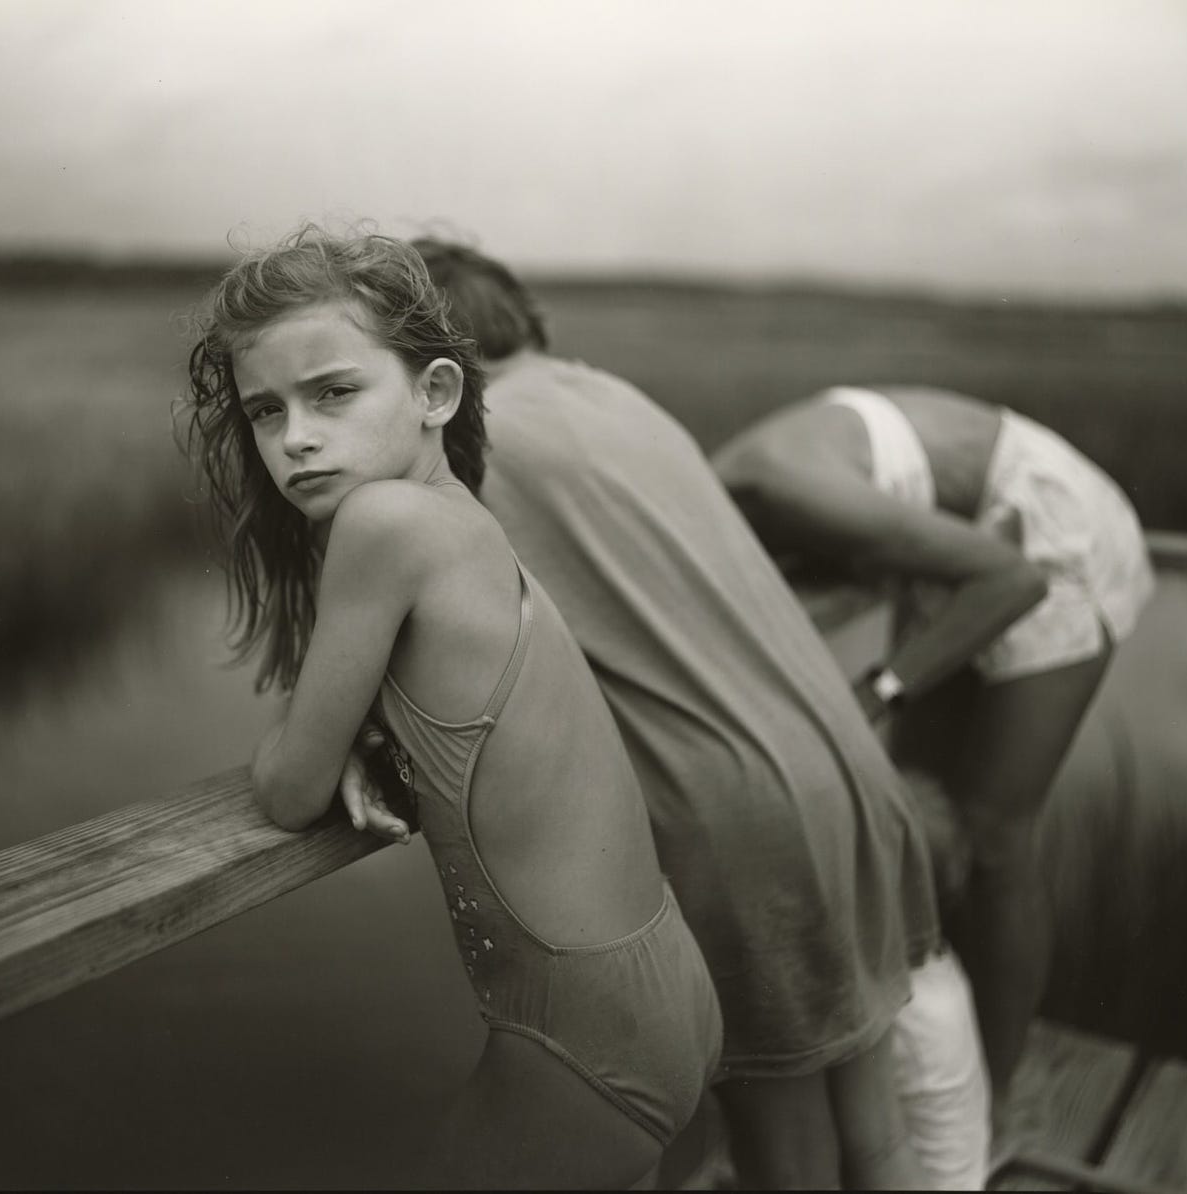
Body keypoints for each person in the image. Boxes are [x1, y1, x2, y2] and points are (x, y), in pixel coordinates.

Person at [348, 238, 942, 1189]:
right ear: (528, 321)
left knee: (784, 1156)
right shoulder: (622, 400)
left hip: (736, 816)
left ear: (426, 362)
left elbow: (416, 632)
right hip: (849, 775)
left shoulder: (467, 445)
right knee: (879, 1137)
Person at [180, 226, 723, 1190]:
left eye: (334, 392)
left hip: (582, 1032)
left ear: (435, 393)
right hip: (653, 983)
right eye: (265, 411)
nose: (295, 435)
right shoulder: (464, 522)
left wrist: (320, 738)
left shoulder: (385, 525)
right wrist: (360, 724)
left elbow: (289, 791)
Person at [711, 384, 1155, 1114]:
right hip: (960, 549)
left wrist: (879, 691)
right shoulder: (721, 500)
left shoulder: (775, 483)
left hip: (1047, 536)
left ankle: (999, 1102)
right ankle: (925, 1071)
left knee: (992, 837)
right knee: (913, 816)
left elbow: (1012, 581)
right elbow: (819, 597)